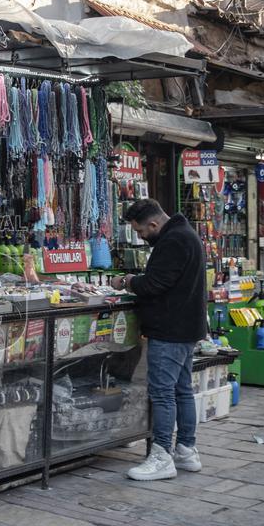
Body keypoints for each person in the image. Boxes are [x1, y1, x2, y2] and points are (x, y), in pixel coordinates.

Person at [110, 199, 206, 481]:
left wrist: (128, 281)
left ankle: (162, 455)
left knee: (163, 392)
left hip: (170, 329)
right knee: (181, 390)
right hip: (185, 328)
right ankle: (186, 450)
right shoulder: (185, 234)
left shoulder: (174, 241)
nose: (141, 237)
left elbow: (154, 284)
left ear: (153, 224)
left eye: (141, 232)